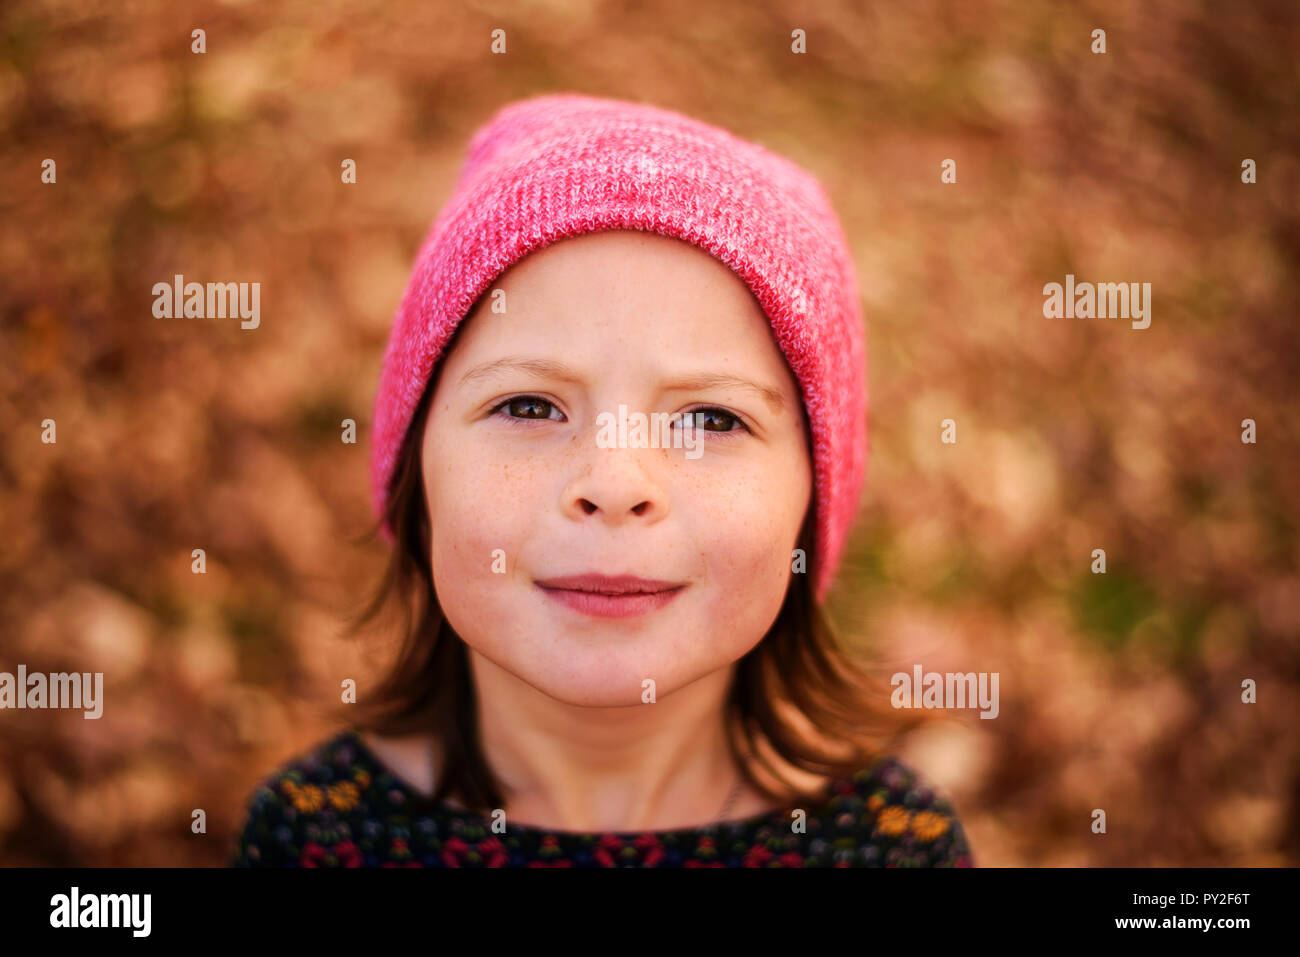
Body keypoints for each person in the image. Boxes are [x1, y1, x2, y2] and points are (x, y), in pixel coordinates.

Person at [230, 93, 974, 867]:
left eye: (712, 419)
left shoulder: (894, 848)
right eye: (529, 405)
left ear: (811, 501)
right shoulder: (309, 838)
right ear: (415, 471)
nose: (615, 483)